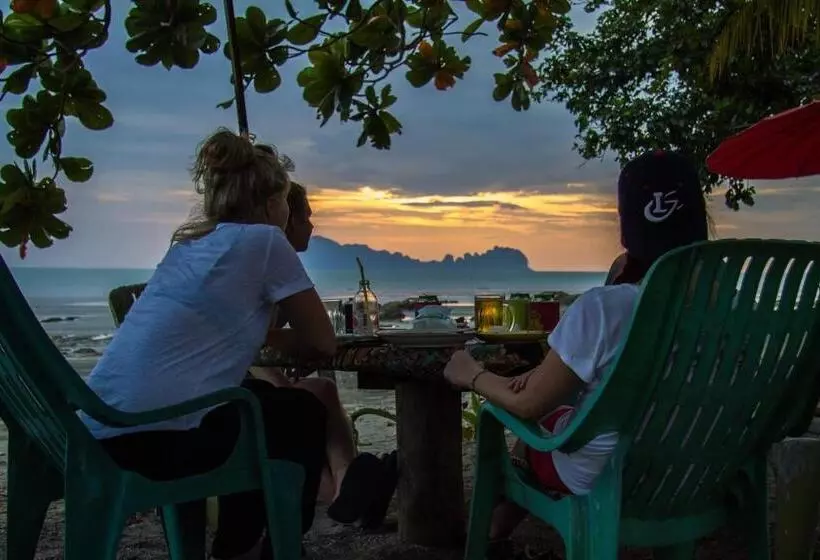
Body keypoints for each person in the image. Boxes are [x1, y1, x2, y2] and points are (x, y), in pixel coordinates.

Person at [80, 129, 394, 560]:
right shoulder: (264, 241)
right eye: (286, 200)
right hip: (158, 440)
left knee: (260, 402)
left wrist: (266, 334)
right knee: (300, 412)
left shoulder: (189, 247)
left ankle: (242, 541)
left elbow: (221, 330)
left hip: (98, 430)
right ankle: (259, 547)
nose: (288, 211)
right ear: (270, 204)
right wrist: (283, 337)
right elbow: (322, 342)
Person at [442, 150, 710, 543]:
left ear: (626, 228)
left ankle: (492, 525)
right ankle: (501, 521)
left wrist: (471, 374)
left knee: (538, 419)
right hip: (692, 471)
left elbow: (528, 404)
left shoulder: (606, 309)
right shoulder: (728, 310)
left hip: (606, 473)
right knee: (562, 398)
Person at [248, 174, 397, 528]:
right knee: (314, 396)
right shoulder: (266, 258)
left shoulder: (267, 262)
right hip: (236, 393)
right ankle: (346, 487)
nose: (313, 225)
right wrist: (281, 370)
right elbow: (255, 344)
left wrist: (285, 358)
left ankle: (348, 487)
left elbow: (277, 337)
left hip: (243, 382)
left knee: (322, 390)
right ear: (285, 218)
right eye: (307, 216)